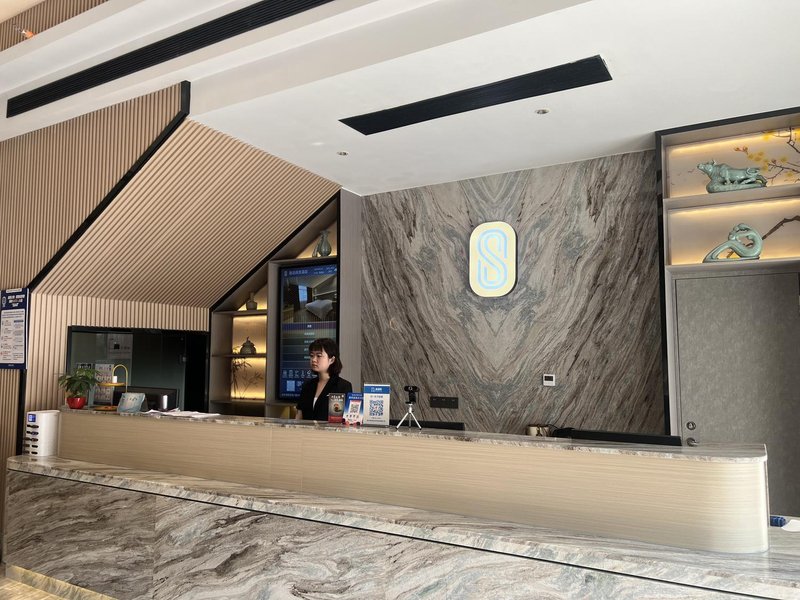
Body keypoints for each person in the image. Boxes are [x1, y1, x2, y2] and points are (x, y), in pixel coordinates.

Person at [295, 338, 352, 420]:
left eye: (319, 356)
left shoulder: (342, 386)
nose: (314, 360)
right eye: (311, 356)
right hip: (306, 428)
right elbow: (299, 416)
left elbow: (346, 420)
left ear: (332, 360)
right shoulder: (307, 386)